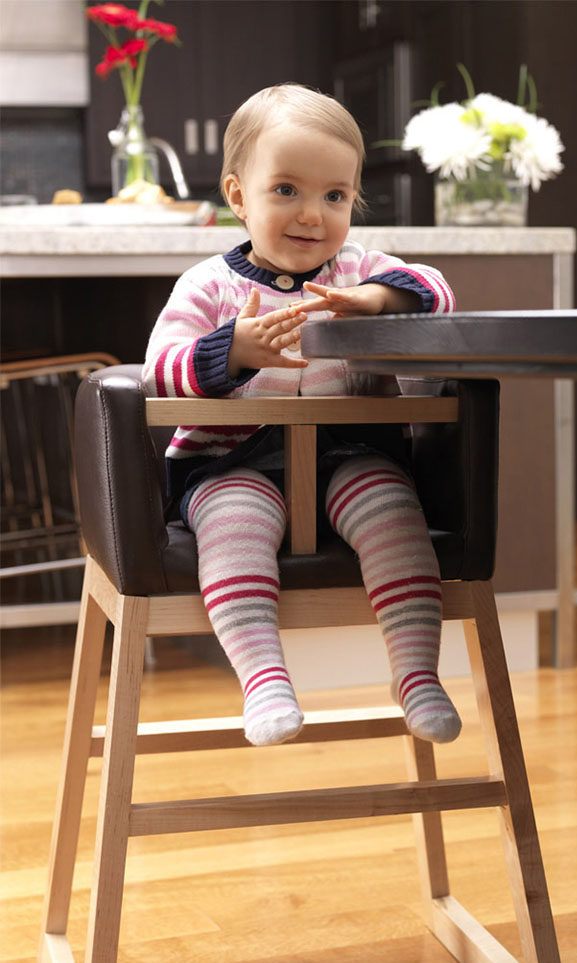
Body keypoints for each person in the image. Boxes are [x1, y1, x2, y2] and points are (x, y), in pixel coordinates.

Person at [143, 83, 461, 749]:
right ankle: (262, 676)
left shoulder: (361, 270)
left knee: (394, 515)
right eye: (286, 189)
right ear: (237, 196)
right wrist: (232, 350)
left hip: (348, 454)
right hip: (232, 462)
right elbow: (158, 369)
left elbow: (436, 289)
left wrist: (374, 299)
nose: (312, 214)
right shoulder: (209, 285)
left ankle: (417, 673)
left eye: (334, 196)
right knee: (234, 523)